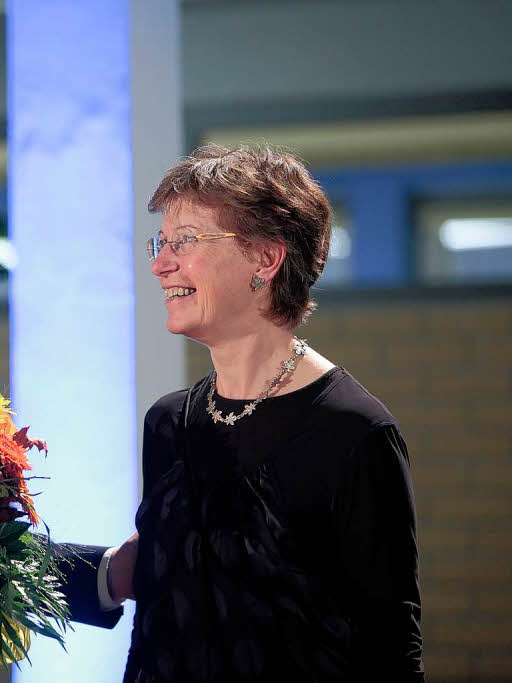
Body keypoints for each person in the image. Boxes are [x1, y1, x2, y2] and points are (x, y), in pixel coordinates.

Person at [105, 144, 424, 681]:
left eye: (186, 241)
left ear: (265, 259)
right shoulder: (168, 424)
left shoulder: (353, 432)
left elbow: (391, 649)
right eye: (161, 242)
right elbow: (154, 627)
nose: (161, 264)